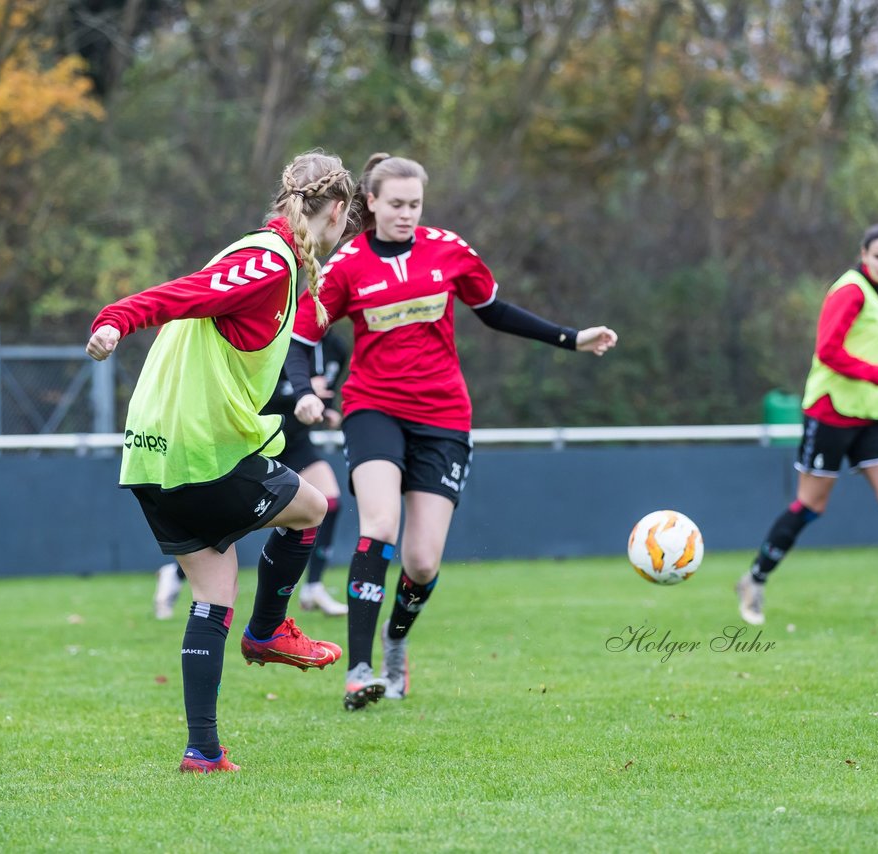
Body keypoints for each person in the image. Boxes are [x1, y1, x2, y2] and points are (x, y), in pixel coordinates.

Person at [284, 153, 618, 711]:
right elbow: (301, 336)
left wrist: (571, 338)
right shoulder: (346, 265)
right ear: (370, 202)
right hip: (374, 408)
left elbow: (496, 311)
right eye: (396, 204)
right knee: (380, 522)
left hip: (442, 417)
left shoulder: (449, 250)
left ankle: (395, 642)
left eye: (415, 204)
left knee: (421, 563)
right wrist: (303, 395)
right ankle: (359, 668)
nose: (407, 214)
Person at [86, 150, 355, 773]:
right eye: (347, 224)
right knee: (311, 507)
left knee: (212, 592)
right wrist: (116, 320)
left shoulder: (267, 255)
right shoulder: (269, 262)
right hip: (200, 452)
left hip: (152, 456)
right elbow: (182, 294)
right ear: (336, 212)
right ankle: (268, 633)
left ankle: (201, 749)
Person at [735, 224, 878, 626]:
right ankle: (754, 579)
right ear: (864, 255)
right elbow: (829, 350)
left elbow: (873, 346)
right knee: (811, 506)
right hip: (831, 412)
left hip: (873, 415)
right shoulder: (850, 290)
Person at [153, 334, 352, 620]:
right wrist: (302, 390)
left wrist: (328, 412)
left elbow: (326, 393)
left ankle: (313, 587)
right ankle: (175, 571)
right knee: (238, 517)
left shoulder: (336, 346)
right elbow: (258, 392)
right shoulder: (281, 340)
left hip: (296, 441)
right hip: (263, 436)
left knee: (330, 503)